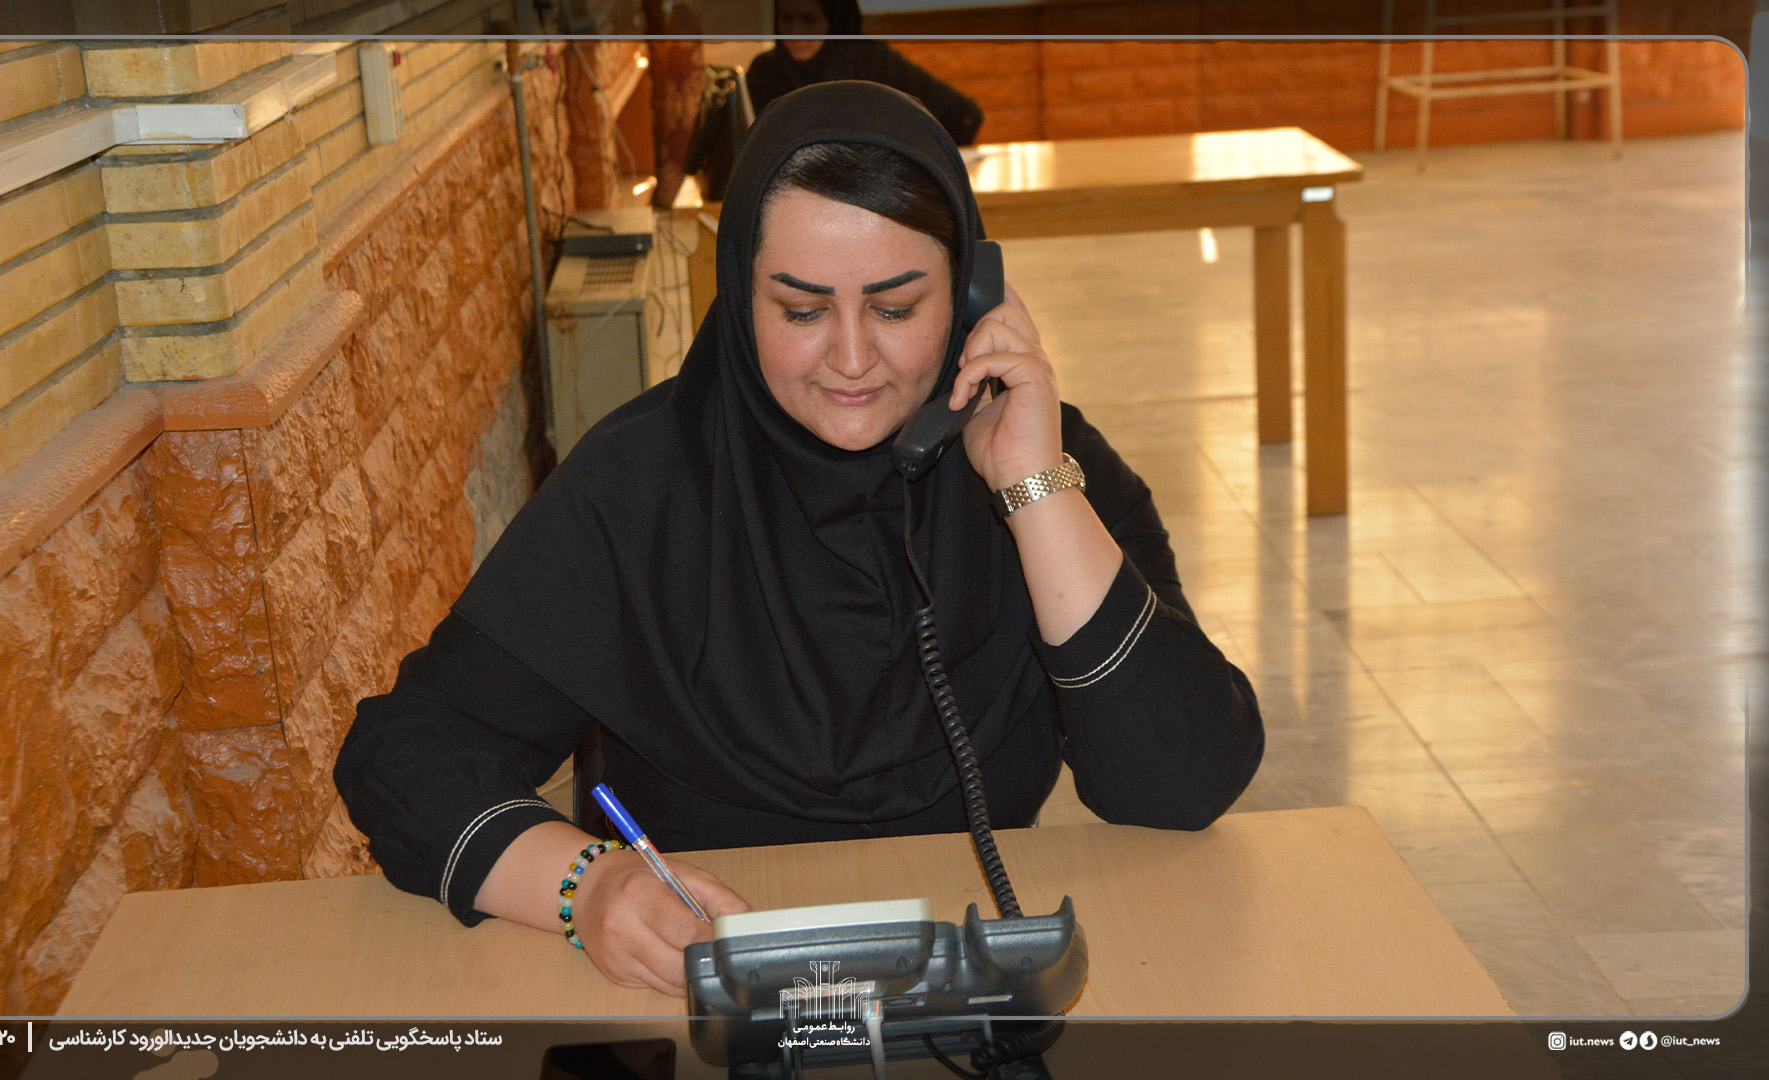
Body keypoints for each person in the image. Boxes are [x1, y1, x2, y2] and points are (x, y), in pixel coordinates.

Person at [334, 81, 1263, 999]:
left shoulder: (1045, 461)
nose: (852, 359)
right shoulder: (637, 486)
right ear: (741, 300)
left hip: (964, 983)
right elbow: (405, 753)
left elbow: (1183, 781)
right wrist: (585, 886)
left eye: (897, 308)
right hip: (692, 995)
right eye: (802, 310)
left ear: (973, 296)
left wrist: (1030, 487)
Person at [747, 0, 984, 146]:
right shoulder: (765, 71)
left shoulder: (871, 60)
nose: (795, 32)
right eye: (786, 19)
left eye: (810, 20)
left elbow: (963, 116)